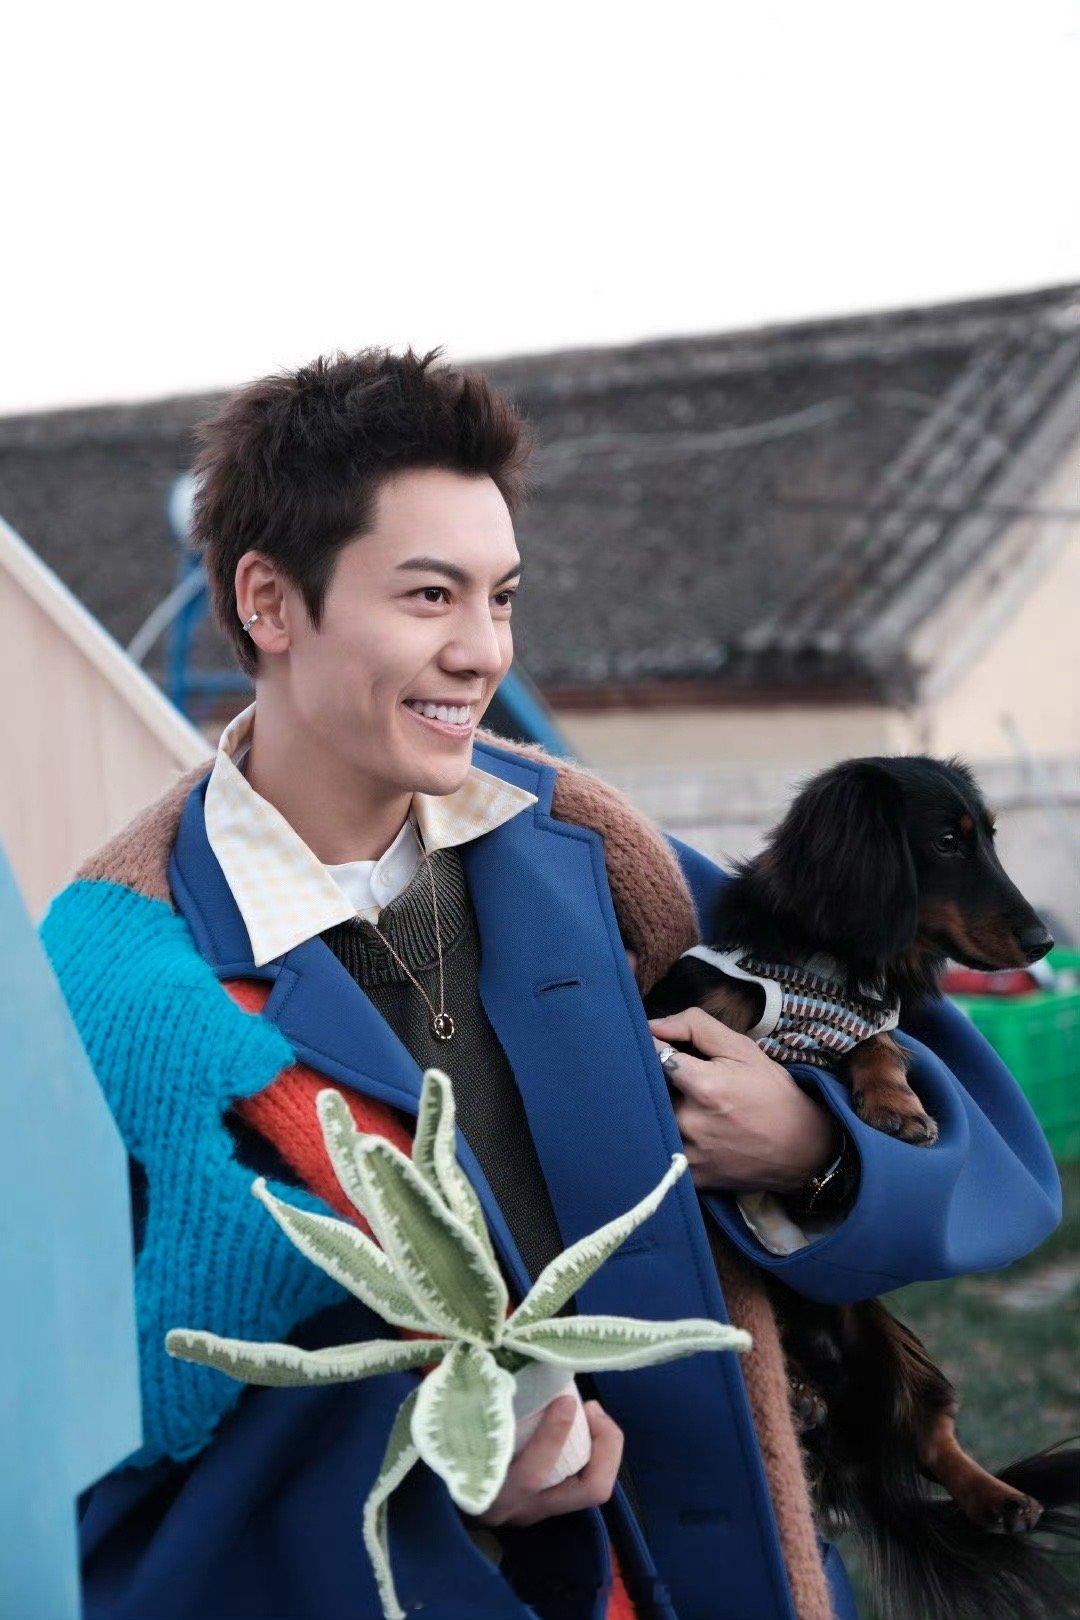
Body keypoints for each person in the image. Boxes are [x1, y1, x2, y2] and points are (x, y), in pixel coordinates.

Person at [40, 348, 1061, 1620]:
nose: (481, 651)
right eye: (430, 595)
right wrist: (448, 1482)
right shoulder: (122, 981)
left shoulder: (590, 853)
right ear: (269, 602)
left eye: (503, 597)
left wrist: (811, 1144)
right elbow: (88, 1445)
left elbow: (985, 1159)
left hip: (743, 1571)